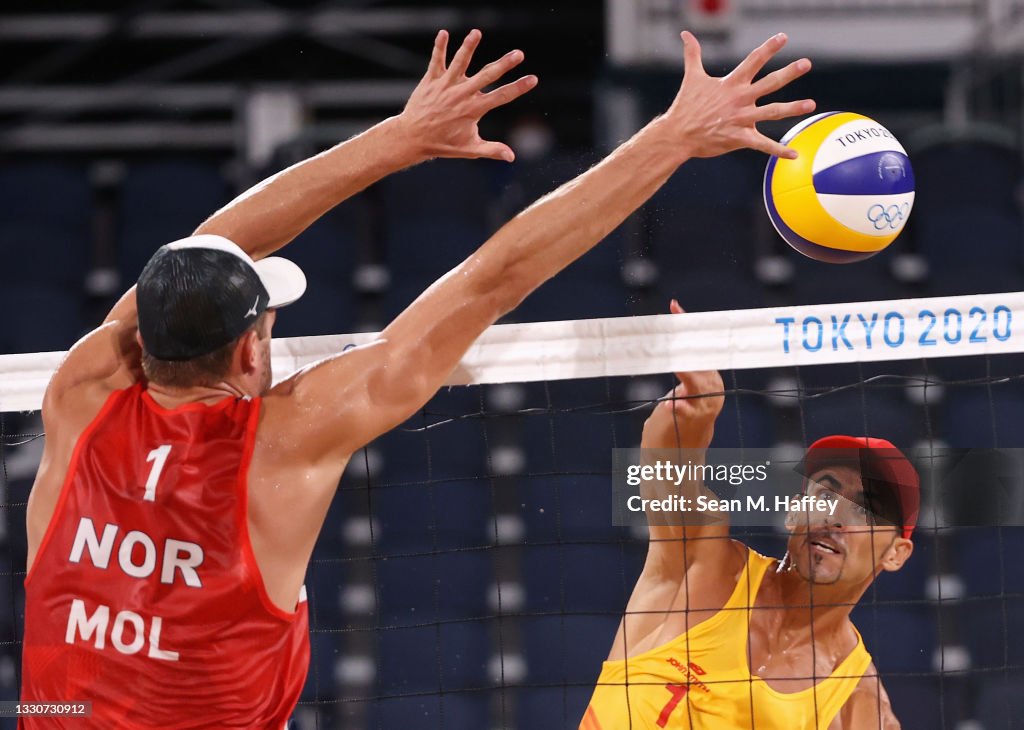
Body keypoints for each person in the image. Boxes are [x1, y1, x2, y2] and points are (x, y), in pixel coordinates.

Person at [20, 25, 814, 728]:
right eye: (267, 323)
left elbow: (204, 249)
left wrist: (400, 138)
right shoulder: (282, 444)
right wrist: (671, 138)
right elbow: (492, 279)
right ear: (248, 354)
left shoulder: (80, 390)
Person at [581, 327, 920, 730]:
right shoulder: (703, 564)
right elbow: (666, 466)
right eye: (825, 494)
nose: (834, 517)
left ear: (896, 553)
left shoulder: (855, 701)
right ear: (795, 512)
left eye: (865, 509)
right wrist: (695, 409)